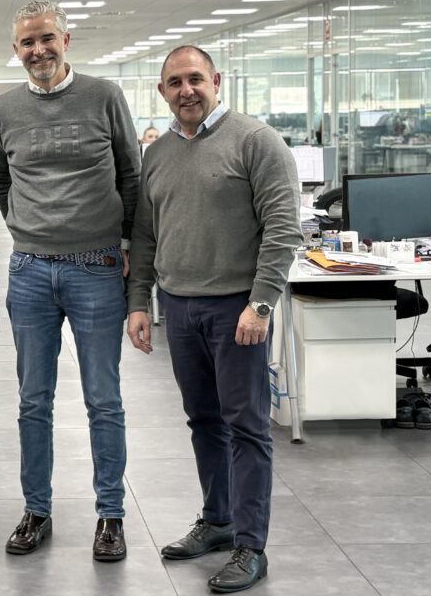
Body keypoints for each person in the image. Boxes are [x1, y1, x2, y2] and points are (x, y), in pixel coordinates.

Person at [126, 45, 301, 593]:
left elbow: (283, 228)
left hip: (236, 309)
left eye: (196, 79)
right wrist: (139, 301)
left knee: (247, 426)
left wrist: (262, 302)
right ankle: (218, 520)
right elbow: (146, 235)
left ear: (217, 81)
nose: (187, 91)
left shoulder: (256, 141)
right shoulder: (157, 154)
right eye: (175, 82)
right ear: (162, 91)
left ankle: (251, 546)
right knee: (203, 420)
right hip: (179, 308)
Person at [0, 0, 140, 561]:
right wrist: (30, 230)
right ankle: (37, 510)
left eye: (46, 38)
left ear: (66, 40)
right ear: (16, 50)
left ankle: (111, 515)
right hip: (30, 270)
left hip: (97, 266)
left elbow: (131, 174)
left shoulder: (104, 96)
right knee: (33, 400)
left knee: (104, 399)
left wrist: (126, 243)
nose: (38, 50)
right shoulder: (3, 109)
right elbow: (1, 181)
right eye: (27, 42)